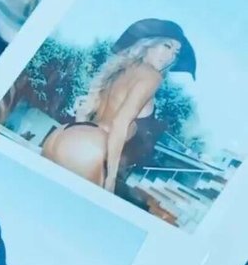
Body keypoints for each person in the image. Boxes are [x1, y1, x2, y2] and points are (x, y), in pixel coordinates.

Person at [42, 19, 196, 193]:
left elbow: (92, 116)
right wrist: (111, 178)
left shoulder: (120, 69)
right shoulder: (152, 76)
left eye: (176, 53)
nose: (170, 56)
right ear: (149, 43)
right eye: (167, 46)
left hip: (65, 133)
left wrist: (81, 124)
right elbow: (120, 122)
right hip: (97, 148)